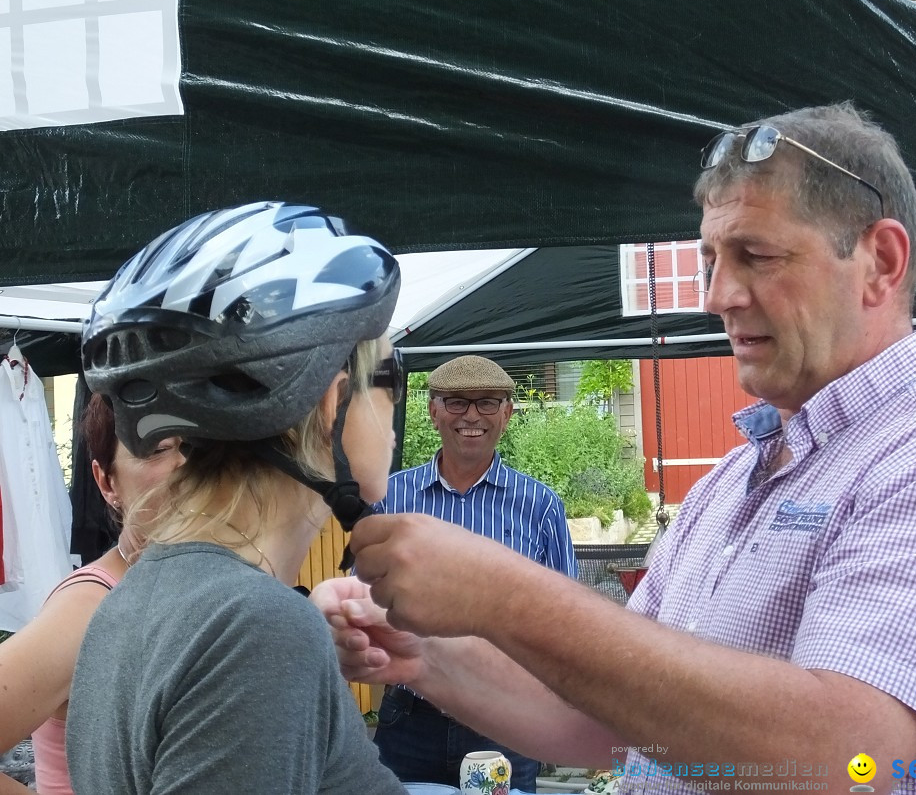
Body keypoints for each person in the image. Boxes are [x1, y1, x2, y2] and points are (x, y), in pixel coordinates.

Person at [314, 104, 916, 795]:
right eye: (712, 257)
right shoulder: (735, 480)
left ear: (881, 261)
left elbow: (847, 756)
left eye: (757, 256)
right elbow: (620, 724)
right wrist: (423, 657)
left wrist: (509, 598)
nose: (717, 294)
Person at [66, 201, 408, 795]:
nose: (397, 409)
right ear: (332, 404)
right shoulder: (257, 627)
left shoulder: (134, 601)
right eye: (389, 372)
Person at [372, 354, 577, 792]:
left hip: (507, 719)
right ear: (432, 410)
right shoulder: (390, 498)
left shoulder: (539, 505)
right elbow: (363, 598)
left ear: (507, 414)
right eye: (456, 402)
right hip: (410, 719)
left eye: (486, 403)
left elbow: (568, 622)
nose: (471, 416)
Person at [0, 394, 184, 795]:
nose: (186, 466)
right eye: (159, 449)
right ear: (106, 481)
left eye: (200, 447)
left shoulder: (190, 583)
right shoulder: (90, 609)